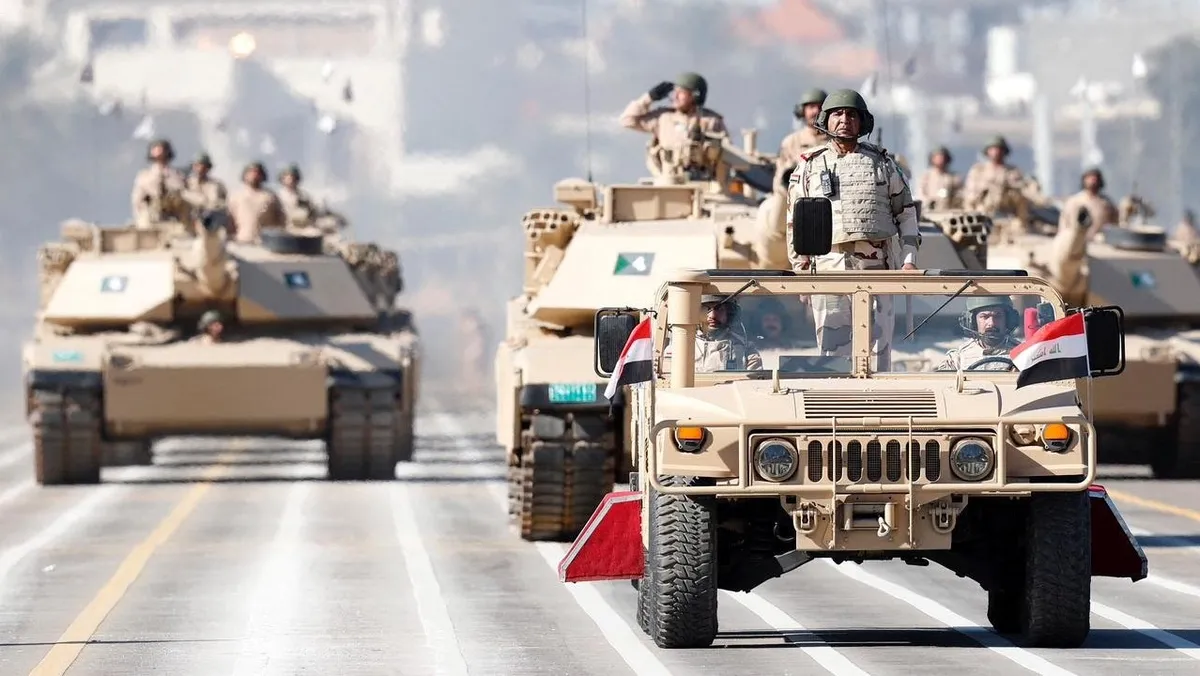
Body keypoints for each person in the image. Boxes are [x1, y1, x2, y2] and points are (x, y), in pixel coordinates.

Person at [785, 88, 920, 370]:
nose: (844, 120)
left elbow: (906, 214)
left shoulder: (883, 164)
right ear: (826, 120)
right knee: (832, 356)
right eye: (837, 114)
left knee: (878, 354)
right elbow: (795, 222)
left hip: (878, 269)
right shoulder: (809, 166)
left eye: (851, 115)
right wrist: (801, 271)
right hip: (828, 268)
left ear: (862, 122)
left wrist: (908, 261)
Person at [618, 71, 727, 151]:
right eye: (675, 92)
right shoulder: (663, 118)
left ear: (695, 95)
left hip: (702, 175)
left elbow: (727, 153)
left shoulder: (712, 121)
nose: (675, 96)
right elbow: (627, 121)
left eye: (681, 92)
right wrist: (648, 98)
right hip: (669, 175)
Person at [664, 295, 762, 372]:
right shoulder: (678, 347)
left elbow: (753, 385)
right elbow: (667, 383)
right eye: (707, 309)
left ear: (729, 314)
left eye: (719, 309)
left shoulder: (747, 350)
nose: (712, 316)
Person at [937, 297, 1023, 371]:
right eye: (984, 317)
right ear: (972, 322)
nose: (991, 323)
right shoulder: (957, 359)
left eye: (997, 316)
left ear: (1007, 320)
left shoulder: (1023, 354)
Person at [773, 87, 828, 195]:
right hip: (795, 195)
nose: (816, 111)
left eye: (820, 107)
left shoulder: (836, 141)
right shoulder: (791, 142)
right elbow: (779, 181)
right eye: (811, 107)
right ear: (802, 111)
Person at [130, 138, 188, 228]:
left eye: (161, 148)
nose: (158, 151)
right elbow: (137, 200)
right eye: (155, 148)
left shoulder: (177, 175)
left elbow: (184, 195)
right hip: (151, 217)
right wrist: (140, 216)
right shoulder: (144, 176)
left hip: (174, 217)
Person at [227, 162, 287, 244]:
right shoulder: (236, 196)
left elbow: (282, 220)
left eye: (257, 172)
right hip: (242, 241)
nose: (254, 175)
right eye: (251, 172)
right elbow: (229, 220)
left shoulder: (270, 196)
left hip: (264, 243)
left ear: (262, 176)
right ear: (245, 175)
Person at [962, 136, 1026, 210]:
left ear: (1004, 151)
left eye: (999, 149)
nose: (996, 152)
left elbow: (1021, 195)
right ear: (987, 151)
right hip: (982, 211)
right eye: (993, 149)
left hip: (1006, 213)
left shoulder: (1013, 172)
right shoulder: (978, 170)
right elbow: (970, 196)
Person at [1058, 167, 1117, 241]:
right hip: (1077, 242)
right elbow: (1064, 224)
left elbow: (1115, 224)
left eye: (1095, 178)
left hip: (1099, 242)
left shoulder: (1106, 204)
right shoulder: (1074, 202)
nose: (1093, 181)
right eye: (1090, 178)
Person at [916, 146, 963, 210]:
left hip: (948, 210)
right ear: (932, 159)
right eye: (937, 157)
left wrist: (953, 199)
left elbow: (960, 194)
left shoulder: (953, 177)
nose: (940, 159)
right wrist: (929, 201)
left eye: (942, 157)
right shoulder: (926, 176)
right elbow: (921, 193)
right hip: (930, 211)